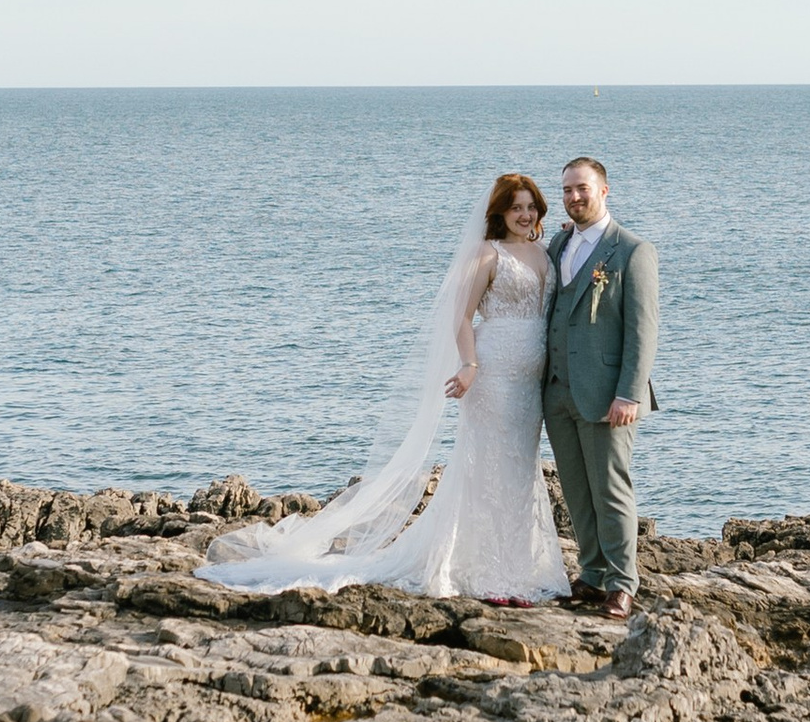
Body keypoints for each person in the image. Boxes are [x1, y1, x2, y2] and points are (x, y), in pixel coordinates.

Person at [198, 173, 568, 601]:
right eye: (516, 207)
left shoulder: (545, 251)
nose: (525, 215)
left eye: (531, 207)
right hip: (492, 374)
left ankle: (518, 569)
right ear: (499, 213)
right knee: (487, 472)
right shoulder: (487, 254)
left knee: (520, 472)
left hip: (530, 382)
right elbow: (461, 316)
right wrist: (469, 364)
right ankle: (489, 574)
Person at [541, 156, 659, 619]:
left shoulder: (632, 251)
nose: (573, 197)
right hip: (557, 391)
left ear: (604, 191)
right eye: (566, 190)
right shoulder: (558, 244)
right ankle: (591, 575)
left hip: (609, 394)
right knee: (575, 488)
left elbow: (643, 331)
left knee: (611, 489)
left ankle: (622, 583)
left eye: (582, 188)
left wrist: (629, 393)